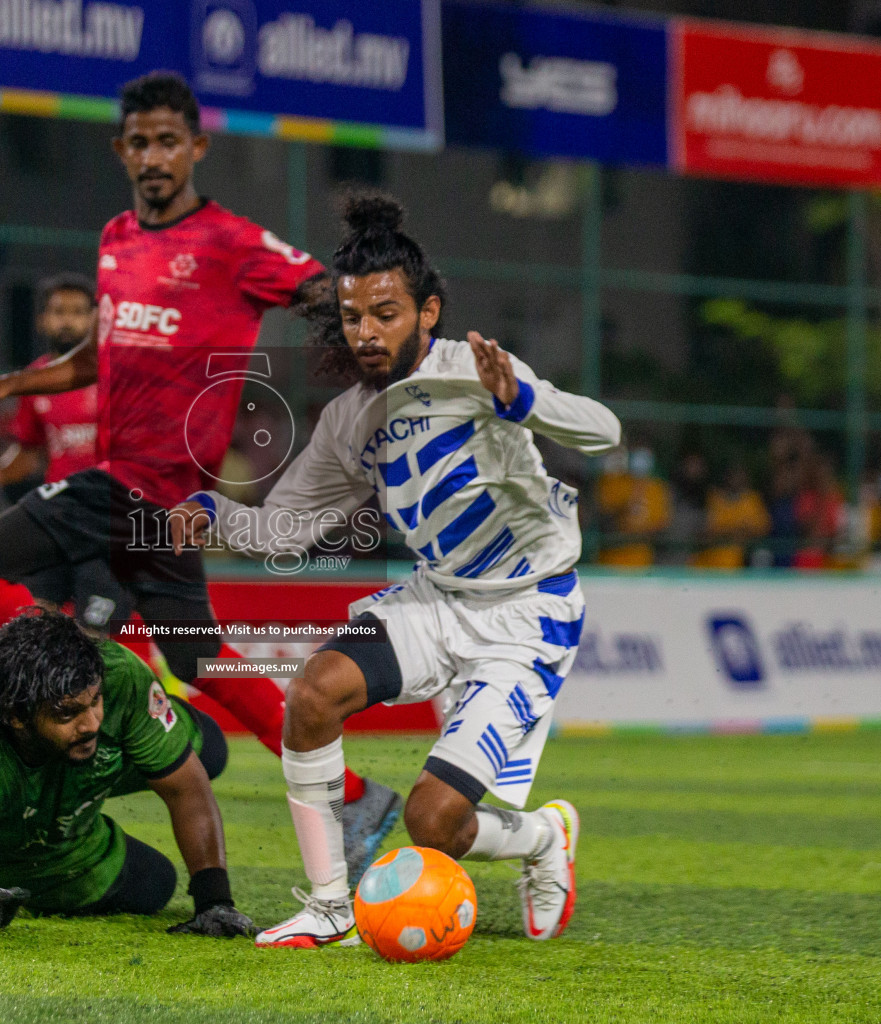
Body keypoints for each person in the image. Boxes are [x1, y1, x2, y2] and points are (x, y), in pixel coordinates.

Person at [0, 71, 398, 878]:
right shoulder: (117, 239)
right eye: (140, 142)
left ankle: (61, 686)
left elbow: (327, 294)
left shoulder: (232, 242)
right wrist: (10, 385)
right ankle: (354, 794)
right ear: (122, 150)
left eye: (168, 141)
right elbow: (97, 356)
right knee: (198, 658)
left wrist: (375, 348)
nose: (153, 155)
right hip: (160, 508)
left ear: (196, 148)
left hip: (137, 486)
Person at [169, 193, 621, 947]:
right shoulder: (350, 419)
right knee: (313, 695)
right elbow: (287, 527)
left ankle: (543, 838)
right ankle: (328, 907)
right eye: (353, 317)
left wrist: (521, 397)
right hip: (437, 601)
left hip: (526, 614)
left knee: (434, 823)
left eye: (385, 313)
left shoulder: (477, 375)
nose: (367, 333)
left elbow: (604, 430)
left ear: (429, 312)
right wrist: (215, 515)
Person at [0, 610, 254, 939]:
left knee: (210, 750)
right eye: (67, 713)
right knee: (154, 883)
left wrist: (214, 900)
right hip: (9, 834)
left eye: (95, 700)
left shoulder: (115, 671)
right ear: (16, 715)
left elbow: (185, 786)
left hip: (76, 763)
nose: (92, 723)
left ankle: (78, 782)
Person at [0, 273, 131, 634]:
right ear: (42, 320)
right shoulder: (36, 379)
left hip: (109, 527)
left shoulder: (117, 372)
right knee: (38, 624)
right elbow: (29, 453)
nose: (67, 320)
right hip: (57, 521)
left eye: (77, 311)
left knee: (96, 638)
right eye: (58, 311)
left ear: (95, 318)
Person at [596, 444, 670, 567]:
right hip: (610, 560)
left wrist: (639, 532)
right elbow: (603, 518)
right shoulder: (611, 482)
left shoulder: (657, 488)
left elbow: (661, 525)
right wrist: (624, 509)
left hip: (641, 562)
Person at [693, 463, 770, 569]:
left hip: (740, 561)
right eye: (733, 476)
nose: (737, 480)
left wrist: (727, 531)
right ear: (726, 477)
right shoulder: (713, 498)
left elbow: (762, 530)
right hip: (709, 560)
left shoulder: (753, 499)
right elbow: (706, 532)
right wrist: (732, 531)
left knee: (762, 554)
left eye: (740, 476)